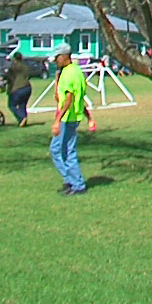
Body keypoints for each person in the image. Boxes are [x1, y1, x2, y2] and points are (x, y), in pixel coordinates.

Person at [50, 43, 94, 196]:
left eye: (57, 58)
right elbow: (79, 98)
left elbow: (69, 99)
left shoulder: (69, 74)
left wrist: (57, 120)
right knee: (64, 150)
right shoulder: (75, 71)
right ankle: (71, 181)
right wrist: (89, 118)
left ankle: (76, 183)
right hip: (74, 116)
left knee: (58, 150)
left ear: (64, 56)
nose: (56, 61)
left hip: (67, 118)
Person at [5, 52, 33, 127]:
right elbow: (29, 76)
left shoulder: (13, 67)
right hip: (27, 87)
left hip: (17, 88)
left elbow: (8, 76)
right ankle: (23, 121)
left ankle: (22, 118)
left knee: (11, 105)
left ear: (14, 58)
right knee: (22, 105)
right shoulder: (25, 66)